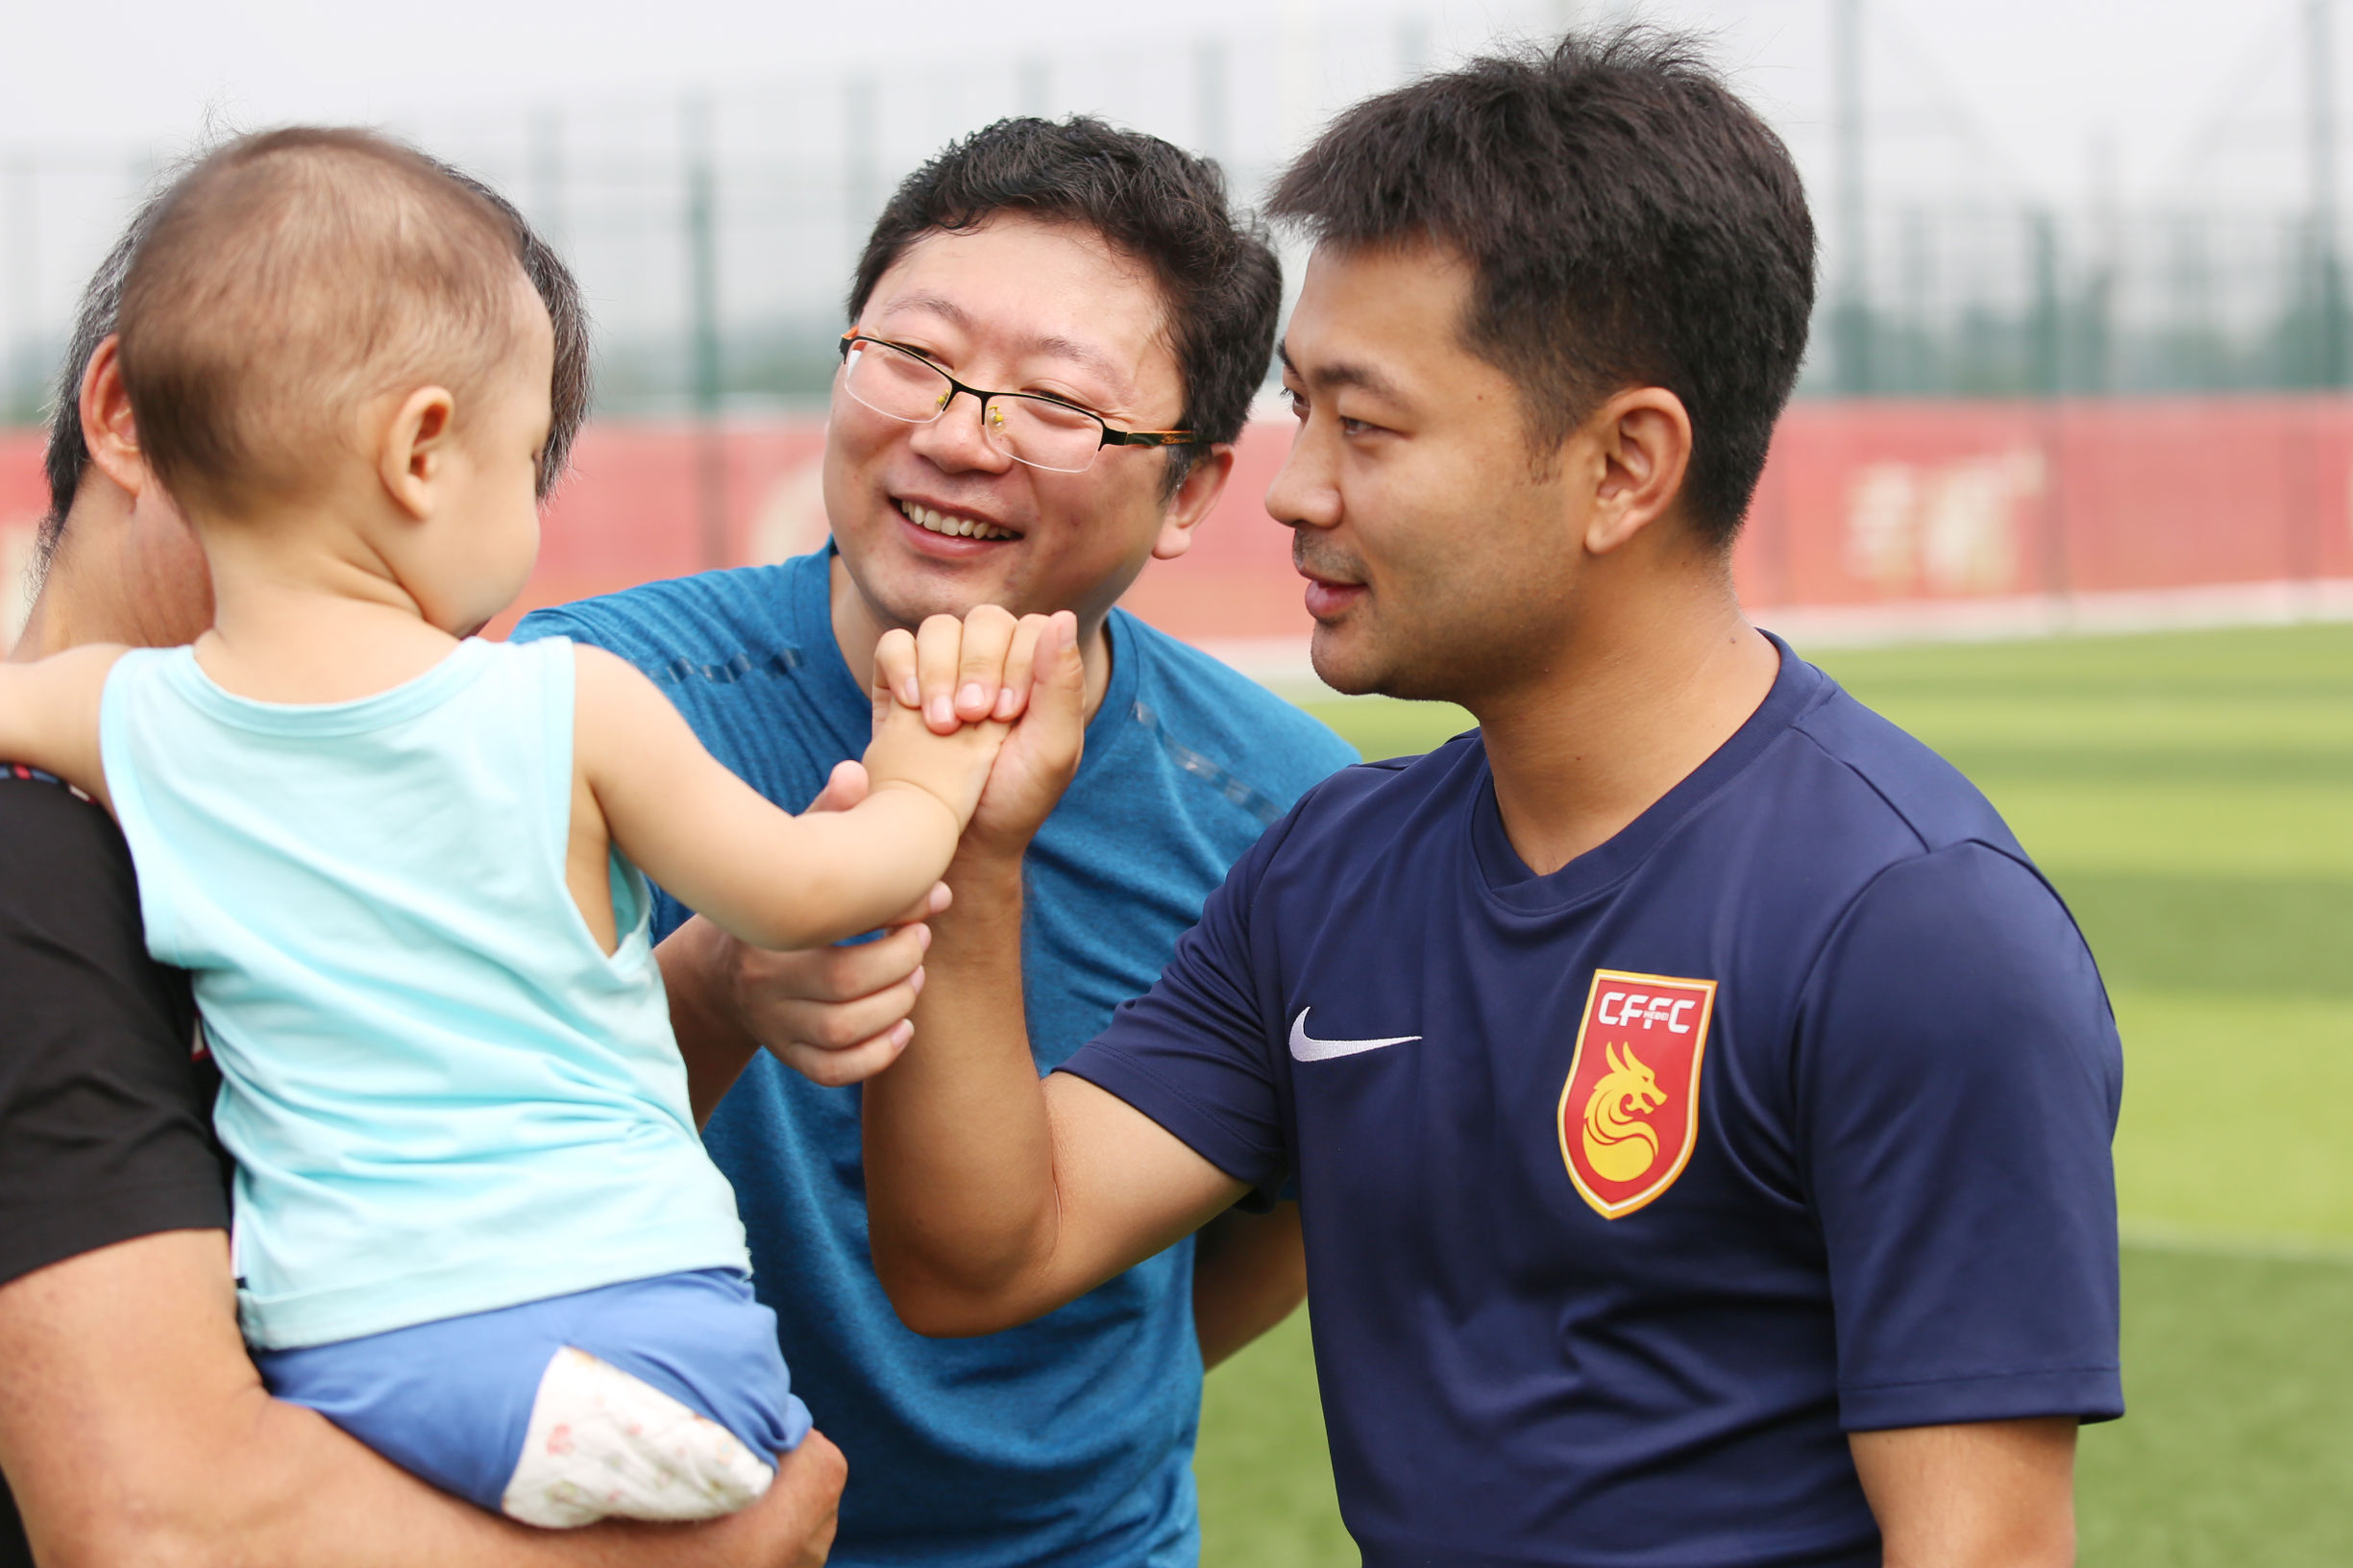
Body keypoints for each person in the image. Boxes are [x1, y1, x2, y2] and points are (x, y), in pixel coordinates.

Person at [857, 33, 2125, 1568]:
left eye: (1365, 426)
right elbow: (978, 1262)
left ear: (1624, 466)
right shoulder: (1331, 867)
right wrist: (980, 861)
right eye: (1301, 410)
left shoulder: (1913, 929)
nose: (1296, 489)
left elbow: (1983, 1549)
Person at [515, 116, 1356, 1566]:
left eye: (1058, 403)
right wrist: (716, 988)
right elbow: (463, 1166)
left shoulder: (1283, 814)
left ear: (1193, 491)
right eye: (911, 356)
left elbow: (1271, 1216)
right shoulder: (585, 703)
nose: (961, 437)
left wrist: (1058, 1431)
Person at [0, 144, 841, 1566]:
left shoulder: (268, 815)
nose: (433, 631)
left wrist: (706, 991)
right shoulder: (33, 867)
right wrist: (706, 1552)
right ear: (130, 418)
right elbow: (159, 1527)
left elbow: (463, 1166)